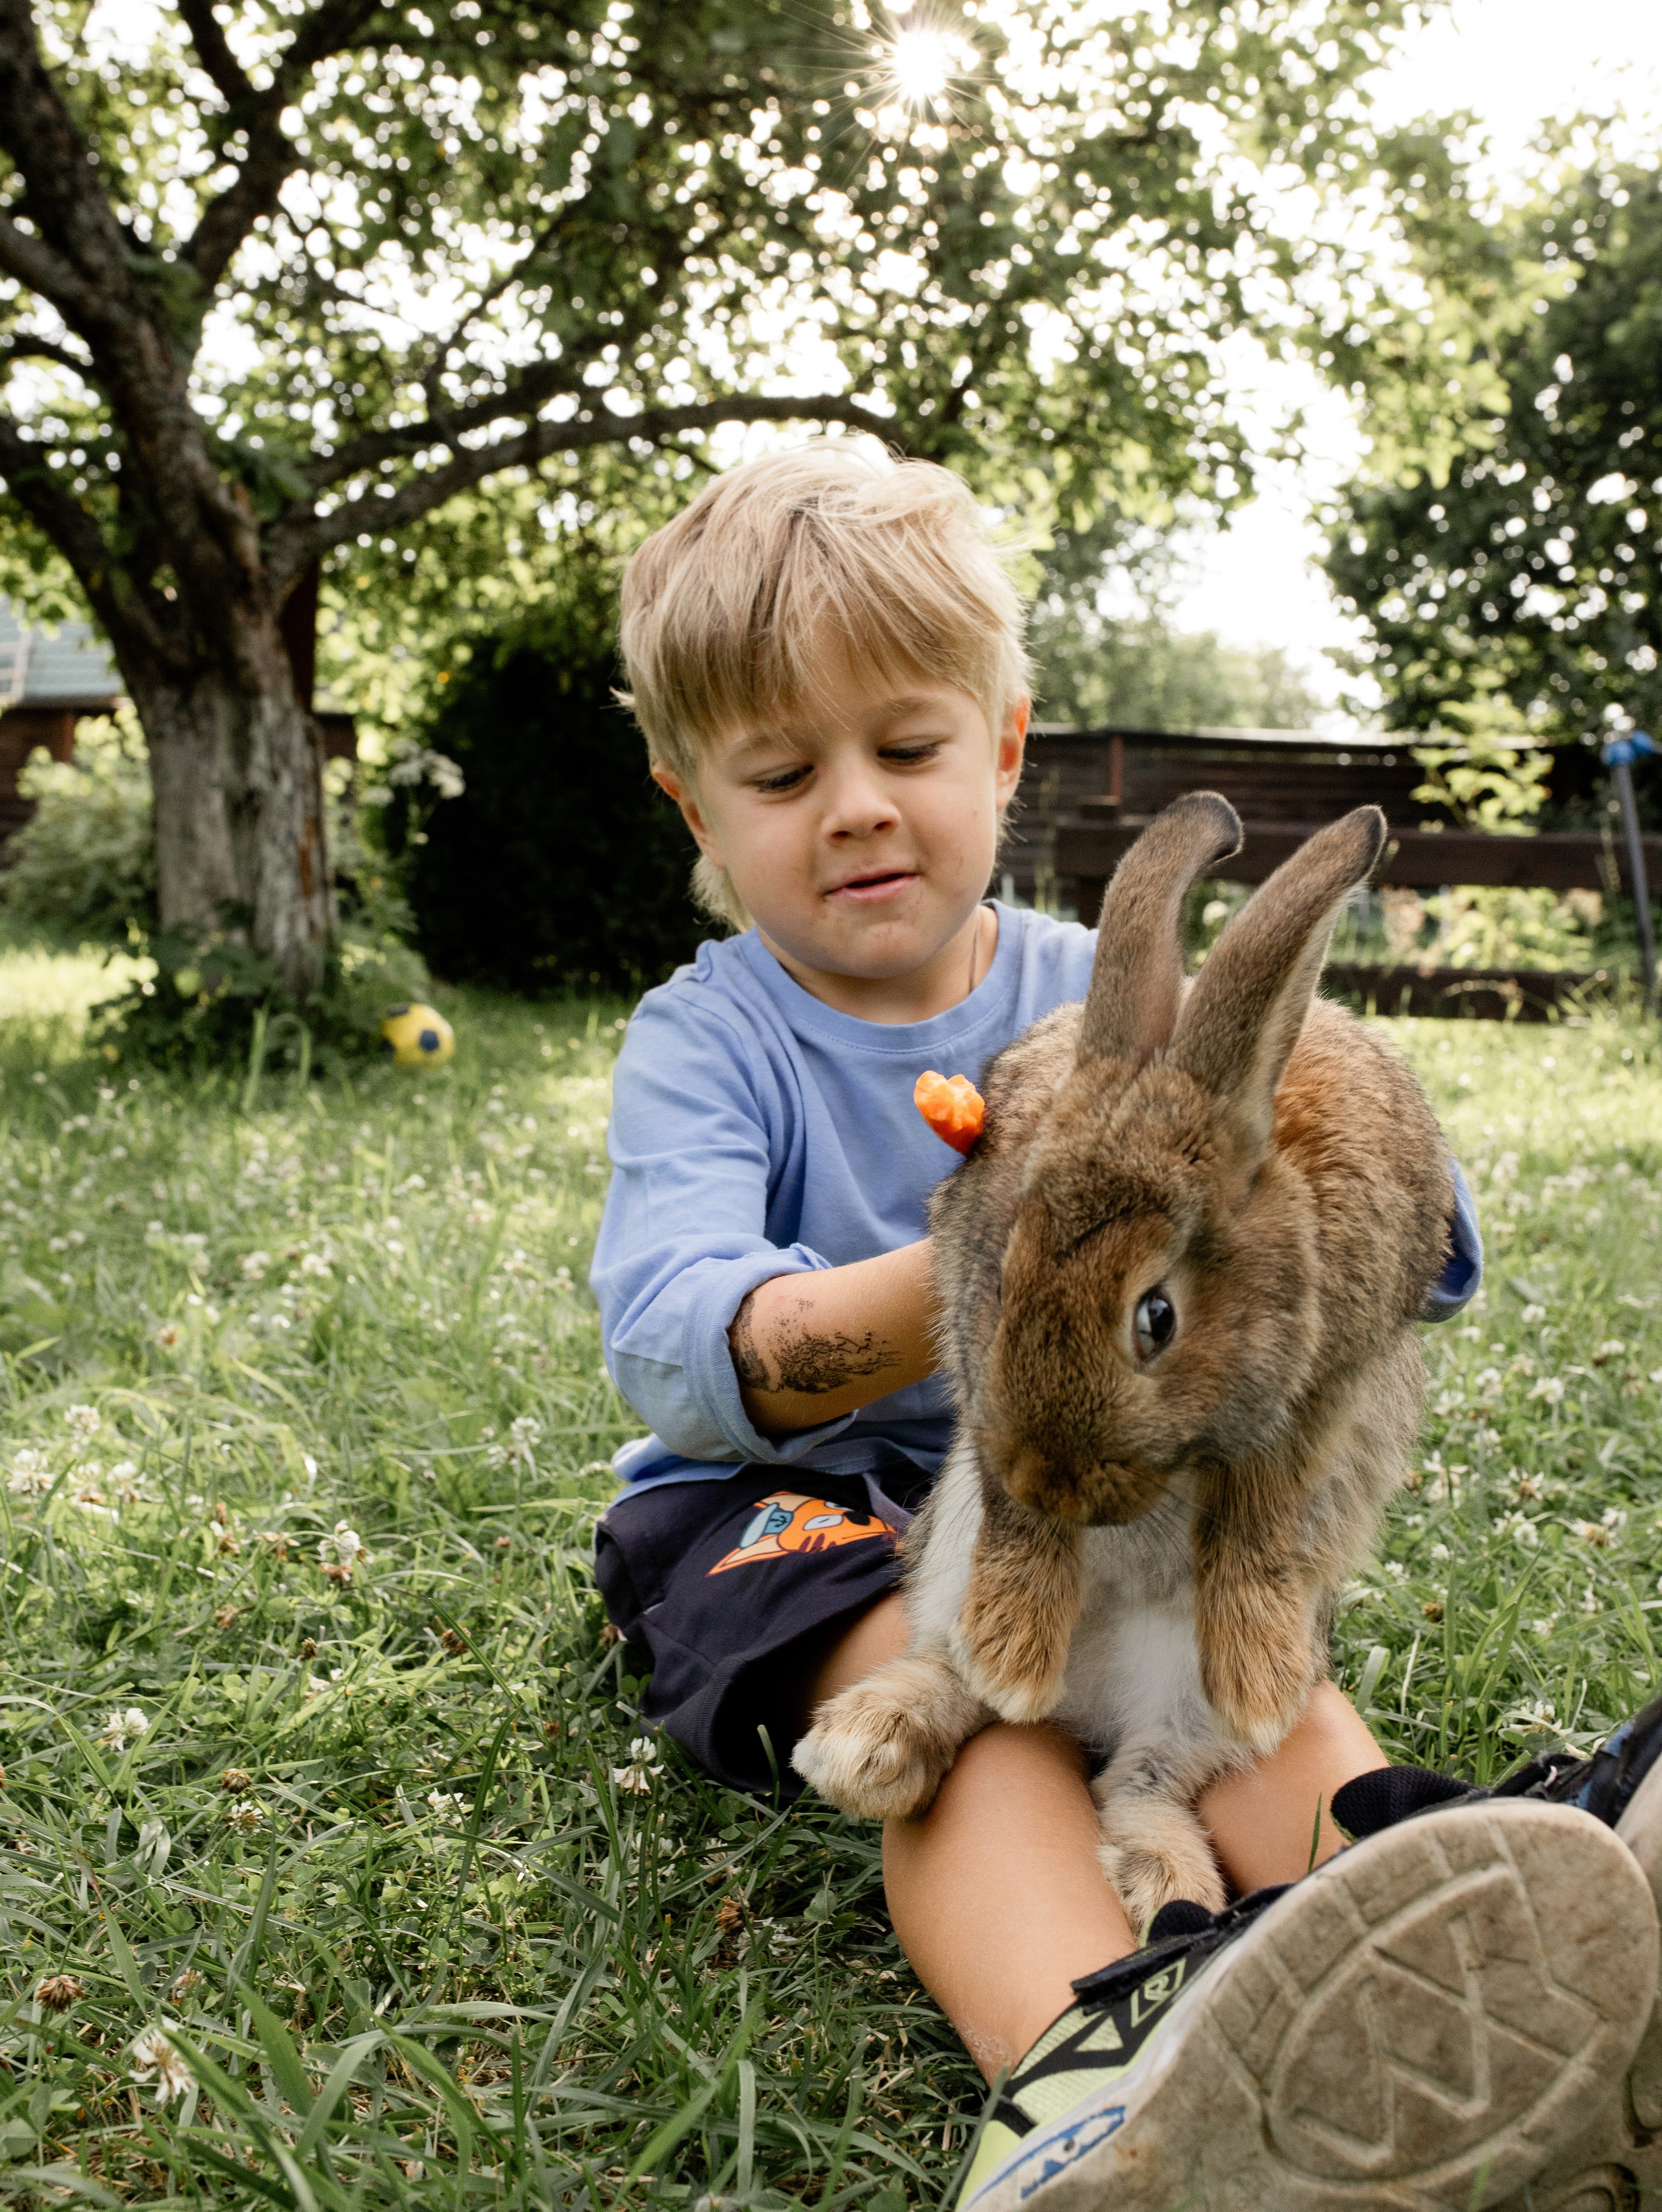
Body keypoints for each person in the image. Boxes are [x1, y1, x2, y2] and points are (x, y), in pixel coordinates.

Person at [589, 443, 1657, 2210]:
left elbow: (1412, 1254)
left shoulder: (1111, 993)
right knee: (959, 1718)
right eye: (781, 774)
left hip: (1128, 1502)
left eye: (908, 750)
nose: (855, 809)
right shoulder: (711, 1042)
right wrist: (1003, 1274)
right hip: (788, 1504)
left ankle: (1481, 1963)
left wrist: (1316, 1164)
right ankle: (1109, 2076)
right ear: (695, 807)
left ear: (1005, 748)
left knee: (1246, 1697)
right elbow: (683, 1345)